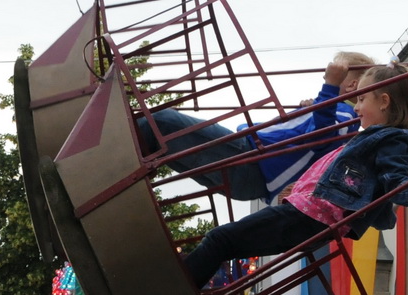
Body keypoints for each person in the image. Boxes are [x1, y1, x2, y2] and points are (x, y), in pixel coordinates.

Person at [180, 62, 408, 288]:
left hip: (312, 215)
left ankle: (175, 289)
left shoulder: (393, 140)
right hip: (309, 215)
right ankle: (181, 289)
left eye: (362, 99)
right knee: (226, 244)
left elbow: (394, 181)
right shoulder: (370, 137)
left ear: (384, 102)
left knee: (220, 239)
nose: (356, 106)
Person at [137, 54, 374, 202]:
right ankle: (127, 157)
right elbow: (306, 132)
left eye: (336, 75)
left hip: (252, 162)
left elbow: (323, 131)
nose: (327, 78)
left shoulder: (344, 113)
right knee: (163, 145)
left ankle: (114, 150)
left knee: (160, 122)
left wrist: (330, 86)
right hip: (253, 170)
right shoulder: (332, 110)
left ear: (351, 84)